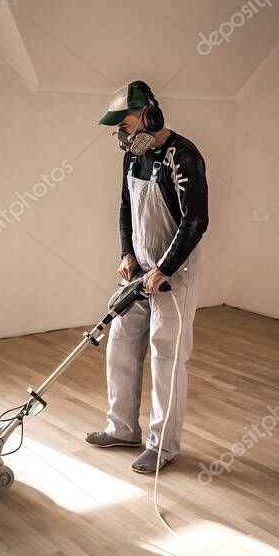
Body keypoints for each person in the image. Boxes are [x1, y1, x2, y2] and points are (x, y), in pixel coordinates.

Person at [86, 81, 209, 473]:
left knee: (166, 355)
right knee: (120, 343)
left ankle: (163, 445)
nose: (120, 135)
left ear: (148, 115)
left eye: (123, 126)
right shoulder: (133, 156)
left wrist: (165, 268)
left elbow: (195, 220)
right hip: (139, 269)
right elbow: (126, 206)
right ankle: (122, 427)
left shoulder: (183, 157)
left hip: (174, 274)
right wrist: (127, 252)